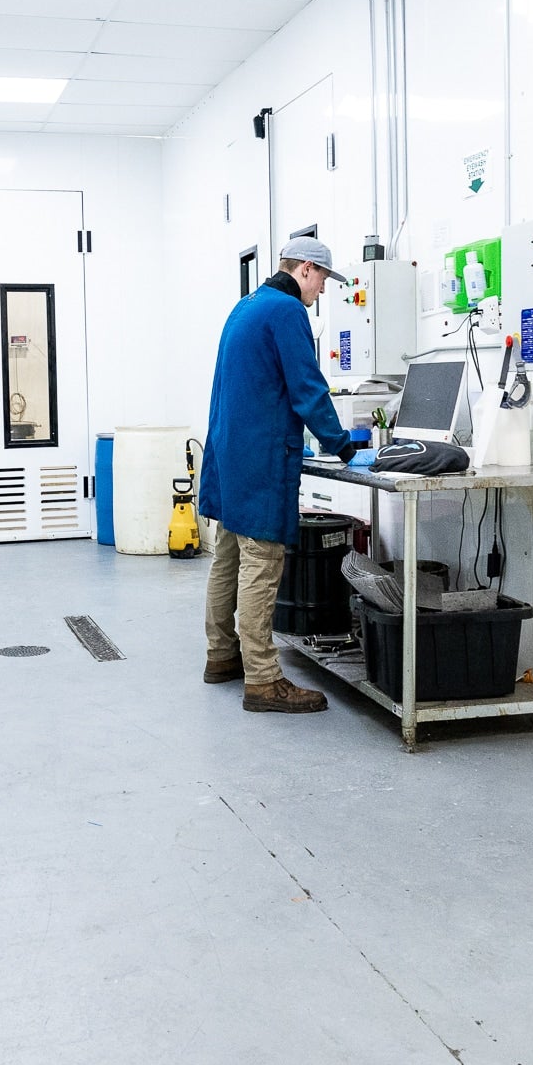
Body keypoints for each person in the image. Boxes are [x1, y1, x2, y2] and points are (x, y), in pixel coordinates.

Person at [200, 236, 359, 713]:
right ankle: (264, 680)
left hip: (229, 454)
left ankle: (222, 656)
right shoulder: (288, 311)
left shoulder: (245, 306)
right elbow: (307, 389)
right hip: (261, 459)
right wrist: (343, 445)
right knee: (261, 564)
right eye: (324, 281)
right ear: (306, 270)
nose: (323, 292)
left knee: (227, 558)